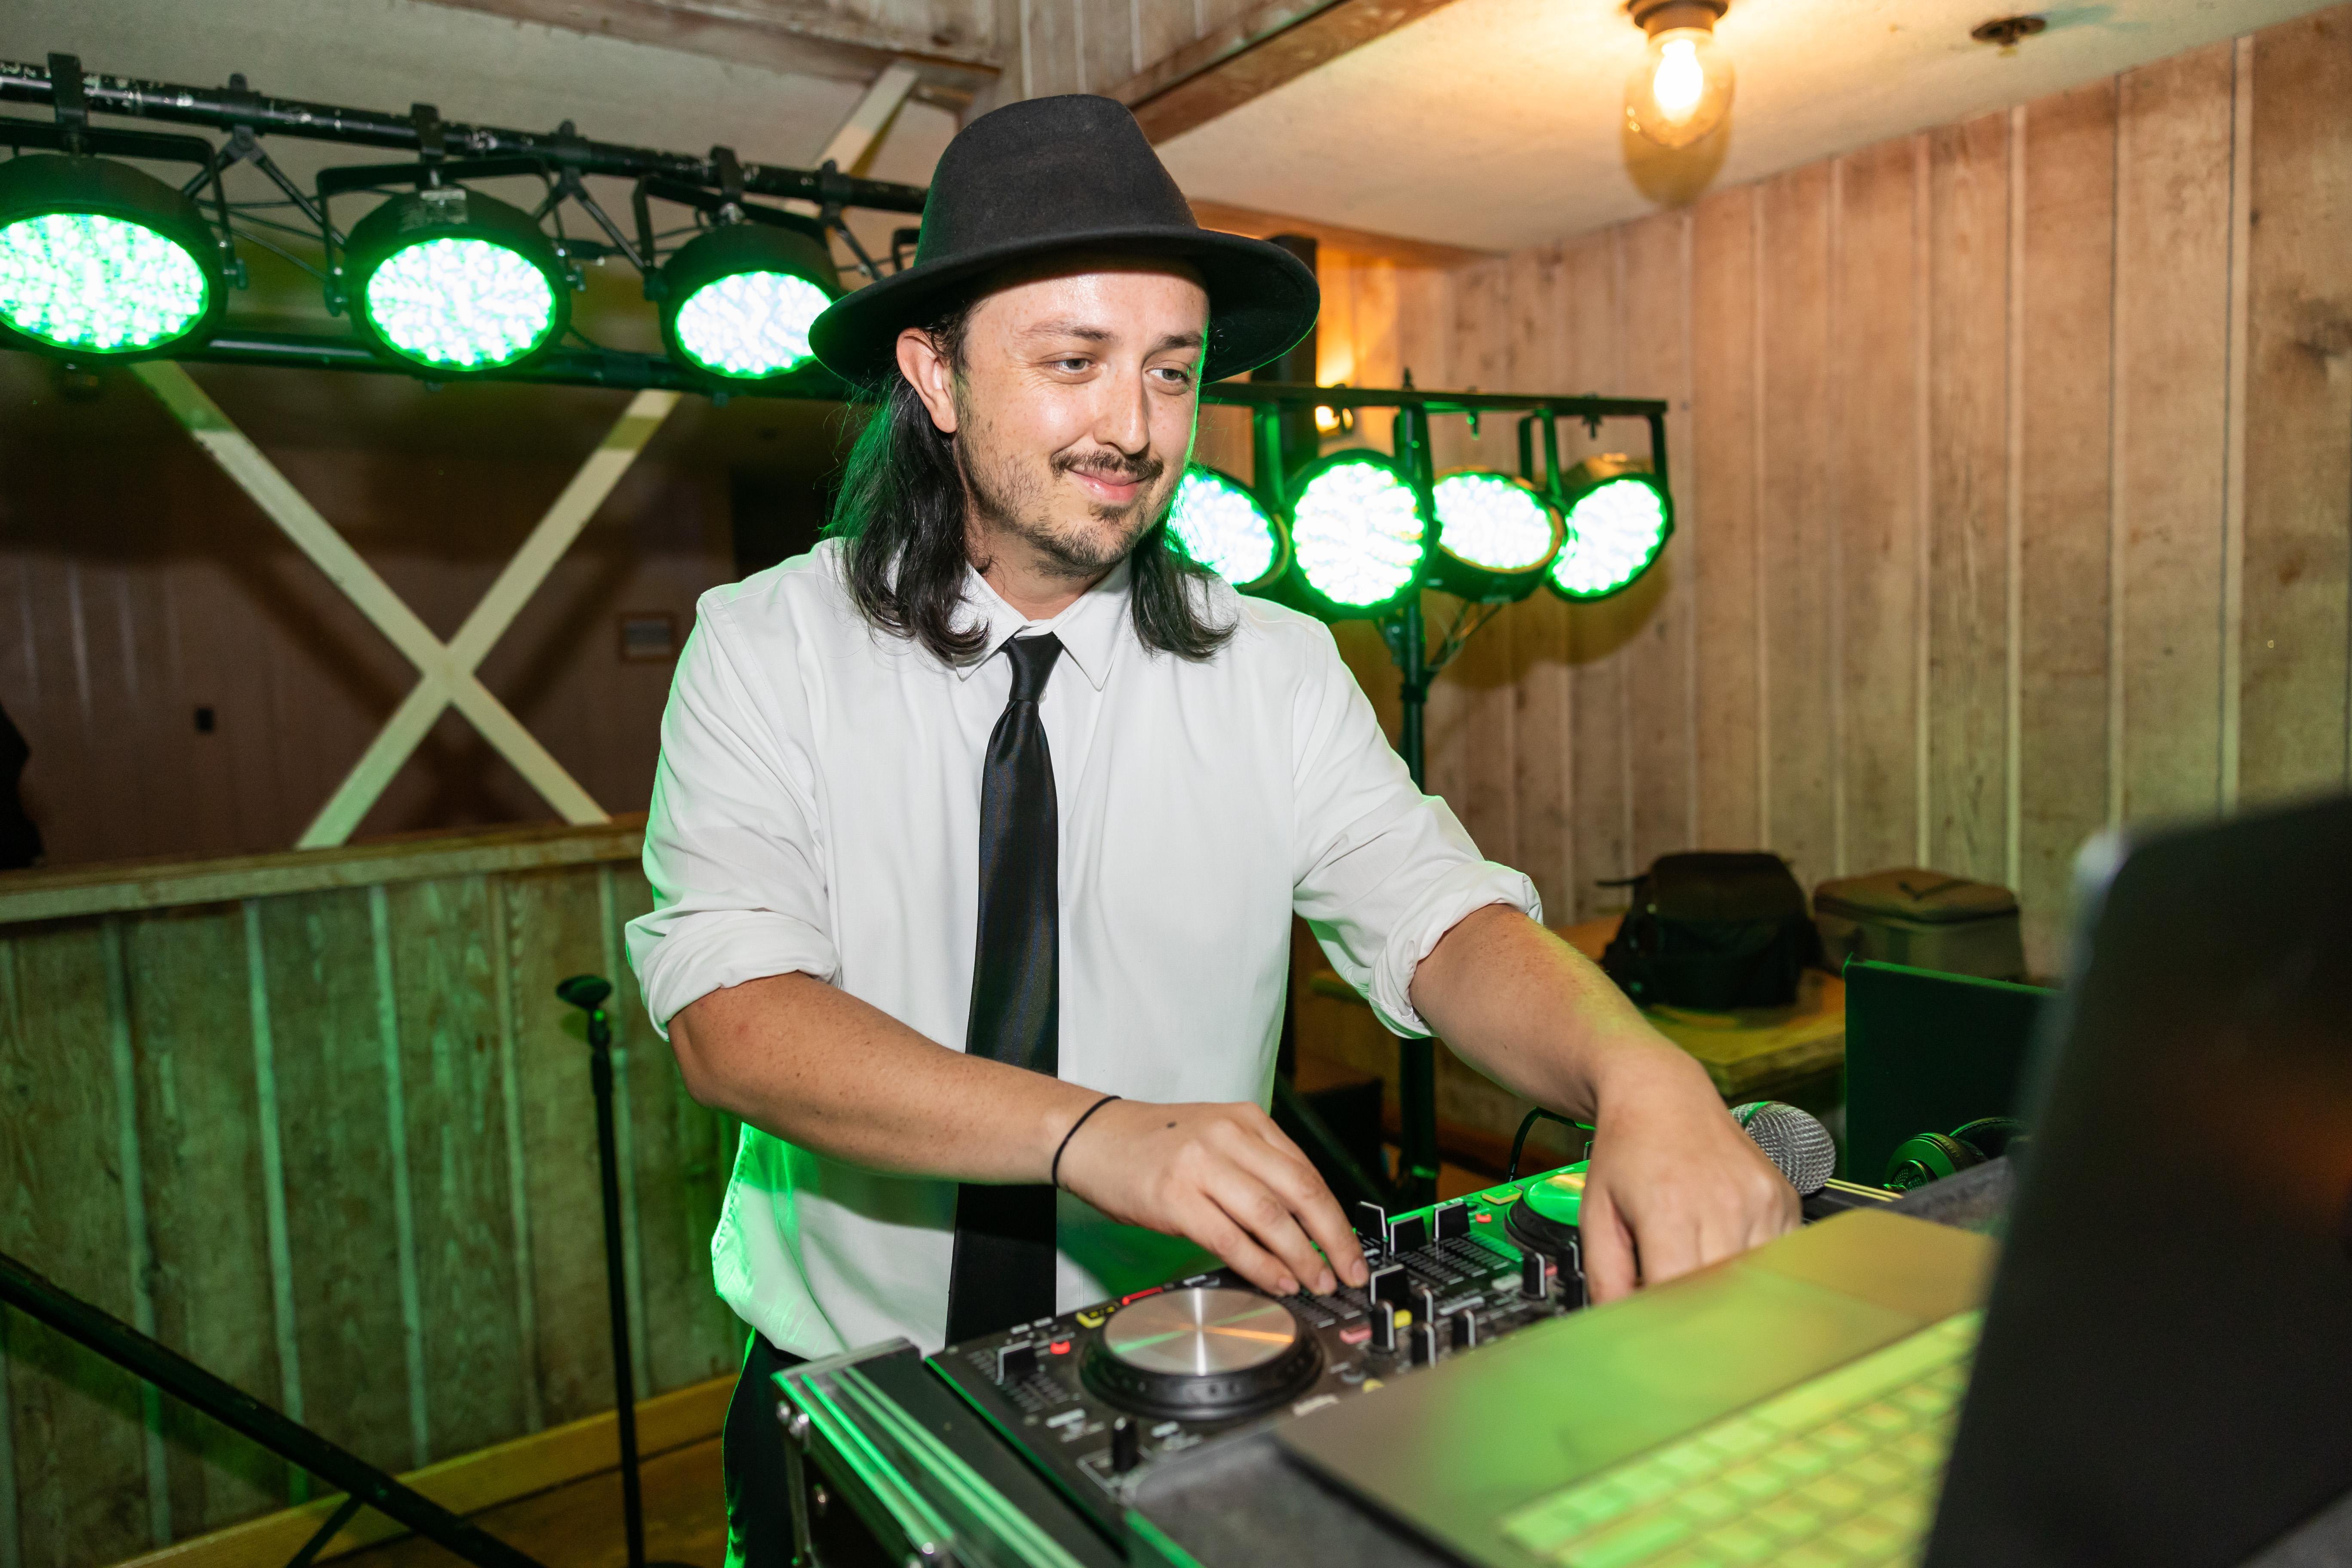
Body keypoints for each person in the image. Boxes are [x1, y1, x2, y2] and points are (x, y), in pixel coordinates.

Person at [625, 93, 1796, 1563]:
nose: (1135, 427)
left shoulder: (1276, 666)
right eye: (1074, 363)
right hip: (848, 1399)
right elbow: (736, 1020)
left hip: (1195, 1370)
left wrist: (1644, 1074)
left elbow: (1440, 920)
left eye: (1171, 372)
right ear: (935, 375)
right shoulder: (766, 644)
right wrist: (1092, 1137)